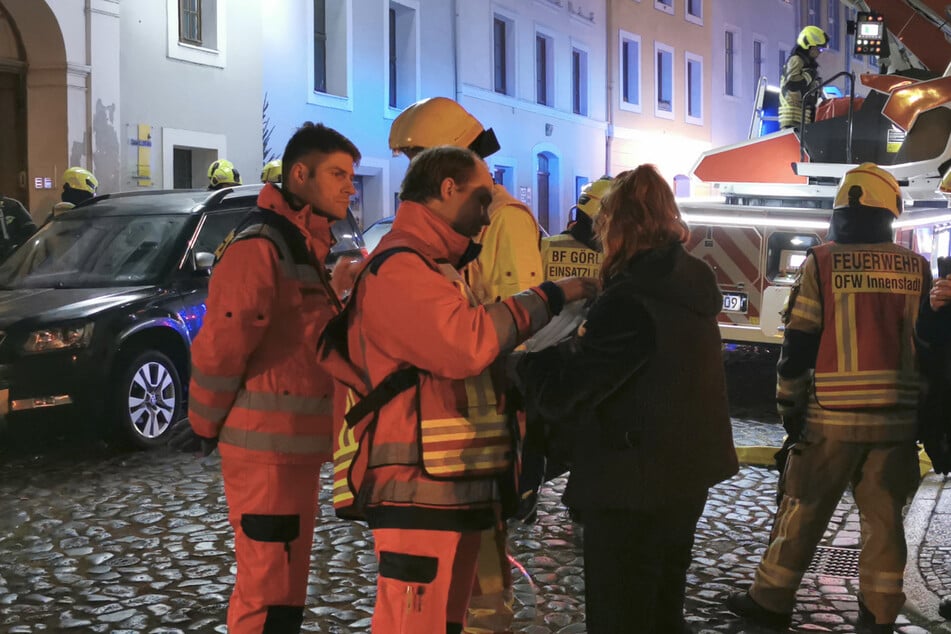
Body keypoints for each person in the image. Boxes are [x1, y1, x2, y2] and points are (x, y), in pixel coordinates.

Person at [320, 145, 597, 633]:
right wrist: (551, 296)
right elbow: (465, 345)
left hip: (451, 486)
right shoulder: (403, 267)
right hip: (417, 491)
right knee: (412, 625)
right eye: (481, 198)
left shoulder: (432, 266)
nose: (488, 215)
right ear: (447, 190)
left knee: (445, 623)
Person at [513, 165, 738, 633]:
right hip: (685, 475)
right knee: (662, 605)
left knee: (620, 611)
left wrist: (532, 359)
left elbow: (564, 396)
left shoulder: (630, 301)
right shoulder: (688, 283)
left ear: (615, 228)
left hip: (631, 483)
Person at [169, 122, 360, 633]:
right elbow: (224, 343)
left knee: (284, 589)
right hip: (267, 453)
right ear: (301, 174)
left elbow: (297, 336)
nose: (350, 186)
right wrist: (204, 423)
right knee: (267, 590)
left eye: (352, 175)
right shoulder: (263, 243)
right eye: (339, 173)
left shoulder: (295, 242)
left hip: (289, 449)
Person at [726, 163, 930, 633]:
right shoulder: (916, 266)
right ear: (889, 214)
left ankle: (771, 600)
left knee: (803, 508)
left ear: (841, 211)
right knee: (884, 523)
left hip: (830, 419)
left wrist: (789, 407)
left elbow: (799, 343)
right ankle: (878, 615)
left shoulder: (822, 262)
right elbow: (929, 345)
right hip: (897, 422)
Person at [389, 96, 544, 633]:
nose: (415, 172)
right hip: (449, 435)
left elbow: (520, 323)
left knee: (481, 569)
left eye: (421, 157)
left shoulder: (505, 220)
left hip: (481, 421)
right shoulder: (438, 234)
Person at [780, 26, 828, 129]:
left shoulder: (806, 64)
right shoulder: (796, 60)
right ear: (808, 45)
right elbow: (793, 84)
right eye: (819, 48)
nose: (820, 52)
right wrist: (809, 75)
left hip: (803, 119)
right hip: (793, 120)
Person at [0, 194, 37, 260]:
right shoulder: (13, 203)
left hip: (12, 255)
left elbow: (30, 229)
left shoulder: (12, 205)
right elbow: (31, 228)